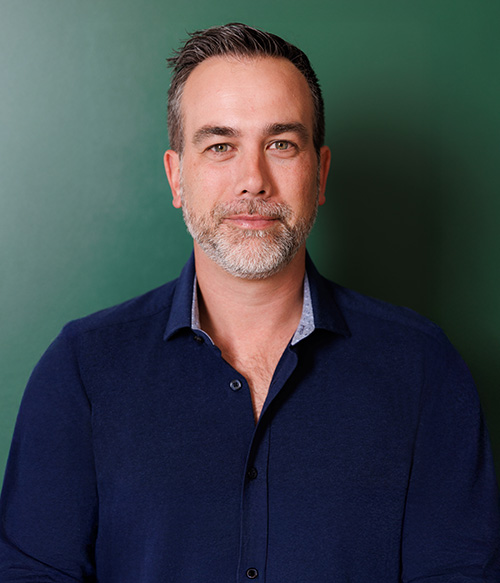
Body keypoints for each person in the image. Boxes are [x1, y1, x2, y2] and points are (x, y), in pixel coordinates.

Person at [0, 22, 499, 583]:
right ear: (177, 177)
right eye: (220, 146)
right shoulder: (82, 369)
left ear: (320, 173)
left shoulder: (423, 368)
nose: (253, 180)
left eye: (281, 144)